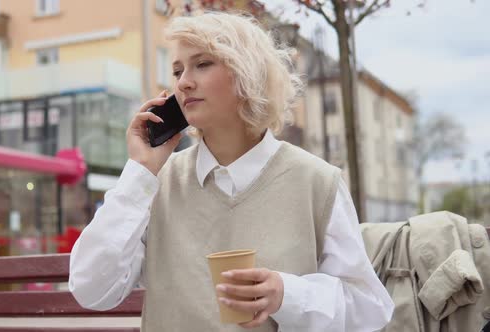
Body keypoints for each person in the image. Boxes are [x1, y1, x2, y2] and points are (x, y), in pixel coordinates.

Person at [69, 12, 394, 331]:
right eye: (178, 70)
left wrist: (286, 295)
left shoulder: (317, 182)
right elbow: (91, 288)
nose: (183, 82)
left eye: (203, 64)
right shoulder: (155, 183)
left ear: (247, 75)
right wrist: (141, 171)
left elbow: (368, 308)